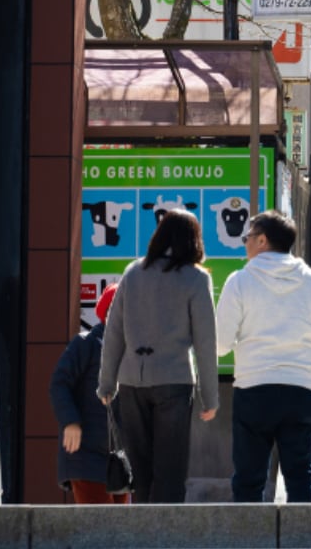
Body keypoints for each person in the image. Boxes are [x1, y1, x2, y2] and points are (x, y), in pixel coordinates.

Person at [215, 210, 311, 503]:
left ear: (262, 240)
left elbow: (220, 343)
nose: (244, 241)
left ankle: (249, 542)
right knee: (300, 476)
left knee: (248, 480)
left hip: (254, 389)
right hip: (301, 389)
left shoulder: (240, 281)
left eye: (248, 237)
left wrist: (243, 343)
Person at [97, 208, 219, 505]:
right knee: (171, 469)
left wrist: (106, 384)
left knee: (140, 471)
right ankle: (167, 535)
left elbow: (113, 332)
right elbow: (205, 342)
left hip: (130, 383)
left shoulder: (133, 272)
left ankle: (143, 534)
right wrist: (210, 398)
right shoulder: (196, 279)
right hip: (173, 381)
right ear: (194, 240)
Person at [50, 284, 128, 504]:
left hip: (120, 458)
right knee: (99, 530)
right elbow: (59, 384)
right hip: (85, 454)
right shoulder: (86, 343)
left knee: (120, 532)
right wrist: (70, 421)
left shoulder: (132, 348)